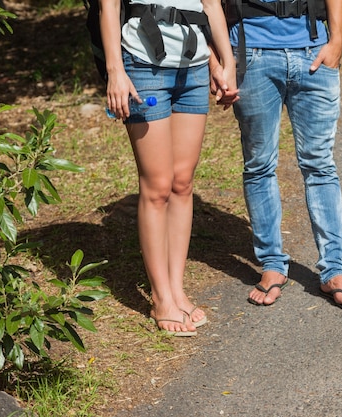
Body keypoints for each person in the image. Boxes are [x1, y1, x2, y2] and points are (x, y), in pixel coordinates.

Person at [210, 0, 342, 309]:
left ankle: (333, 269)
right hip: (250, 55)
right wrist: (218, 63)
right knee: (259, 165)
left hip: (313, 52)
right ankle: (272, 265)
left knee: (320, 164)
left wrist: (337, 41)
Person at [100, 0, 238, 335]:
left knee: (182, 183)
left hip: (193, 68)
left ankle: (177, 289)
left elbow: (211, 4)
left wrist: (226, 61)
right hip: (143, 66)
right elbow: (108, 8)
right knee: (157, 186)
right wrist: (116, 72)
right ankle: (161, 298)